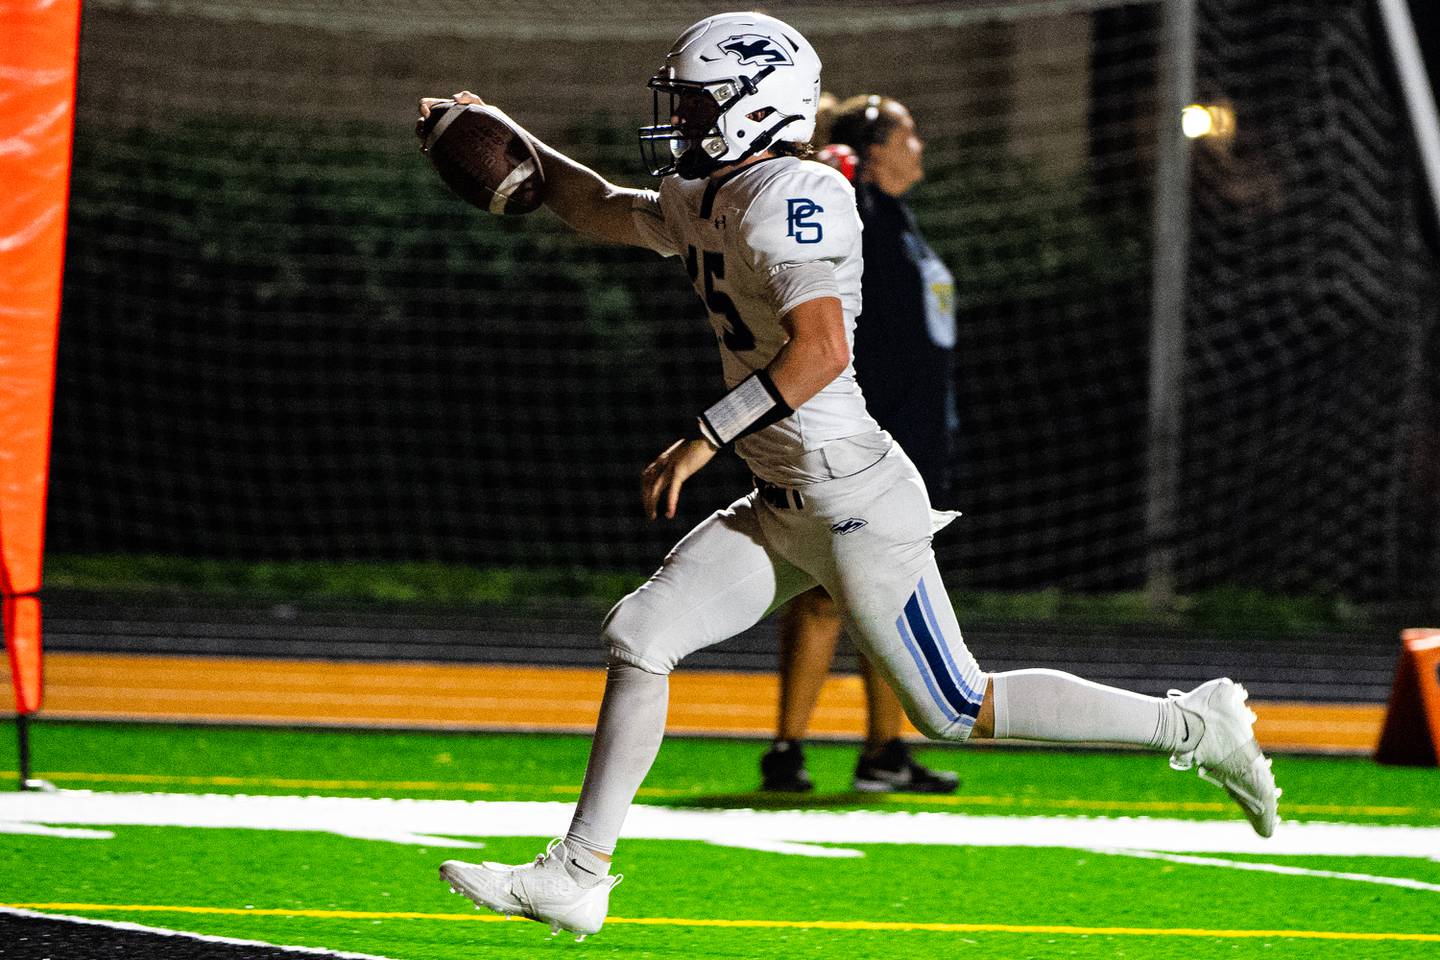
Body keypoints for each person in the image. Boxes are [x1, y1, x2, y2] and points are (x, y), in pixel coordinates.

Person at [421, 11, 1280, 941]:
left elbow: (821, 350)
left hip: (853, 500)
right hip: (781, 500)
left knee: (954, 708)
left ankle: (1196, 726)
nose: (684, 119)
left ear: (756, 104)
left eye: (702, 102)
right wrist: (506, 131)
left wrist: (704, 437)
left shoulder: (799, 192)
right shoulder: (716, 189)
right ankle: (578, 873)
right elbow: (596, 204)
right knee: (641, 632)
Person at [760, 95, 962, 794]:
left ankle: (885, 749)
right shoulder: (854, 211)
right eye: (909, 135)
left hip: (916, 433)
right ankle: (786, 748)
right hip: (862, 432)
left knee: (894, 593)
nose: (921, 148)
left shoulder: (901, 223)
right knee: (821, 593)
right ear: (874, 151)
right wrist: (825, 157)